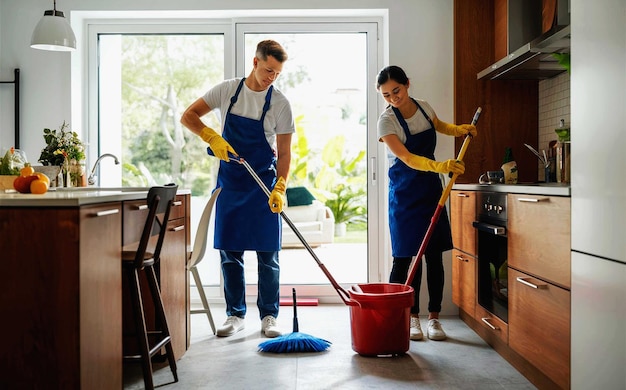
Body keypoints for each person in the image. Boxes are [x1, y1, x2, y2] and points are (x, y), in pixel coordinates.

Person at [181, 40, 294, 338]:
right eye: (268, 70)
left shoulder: (280, 103)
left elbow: (284, 153)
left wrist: (280, 187)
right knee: (231, 253)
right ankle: (235, 314)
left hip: (263, 185)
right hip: (231, 182)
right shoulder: (227, 91)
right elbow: (188, 116)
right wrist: (211, 138)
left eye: (277, 73)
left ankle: (269, 315)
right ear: (255, 62)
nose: (272, 77)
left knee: (268, 254)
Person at [375, 65, 476, 341]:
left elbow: (439, 126)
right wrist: (441, 165)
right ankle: (409, 317)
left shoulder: (423, 107)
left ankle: (434, 319)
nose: (393, 98)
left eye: (396, 90)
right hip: (405, 195)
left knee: (433, 254)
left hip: (431, 191)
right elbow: (407, 158)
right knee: (406, 256)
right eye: (387, 95)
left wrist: (459, 130)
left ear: (407, 84)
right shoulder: (386, 122)